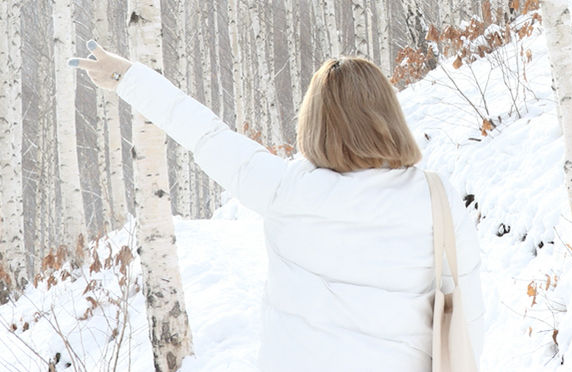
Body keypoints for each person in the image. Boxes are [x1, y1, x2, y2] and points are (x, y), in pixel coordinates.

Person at [69, 40, 483, 372]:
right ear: (389, 115)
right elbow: (469, 316)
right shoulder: (435, 198)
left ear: (315, 122)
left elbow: (204, 133)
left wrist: (128, 76)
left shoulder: (286, 191)